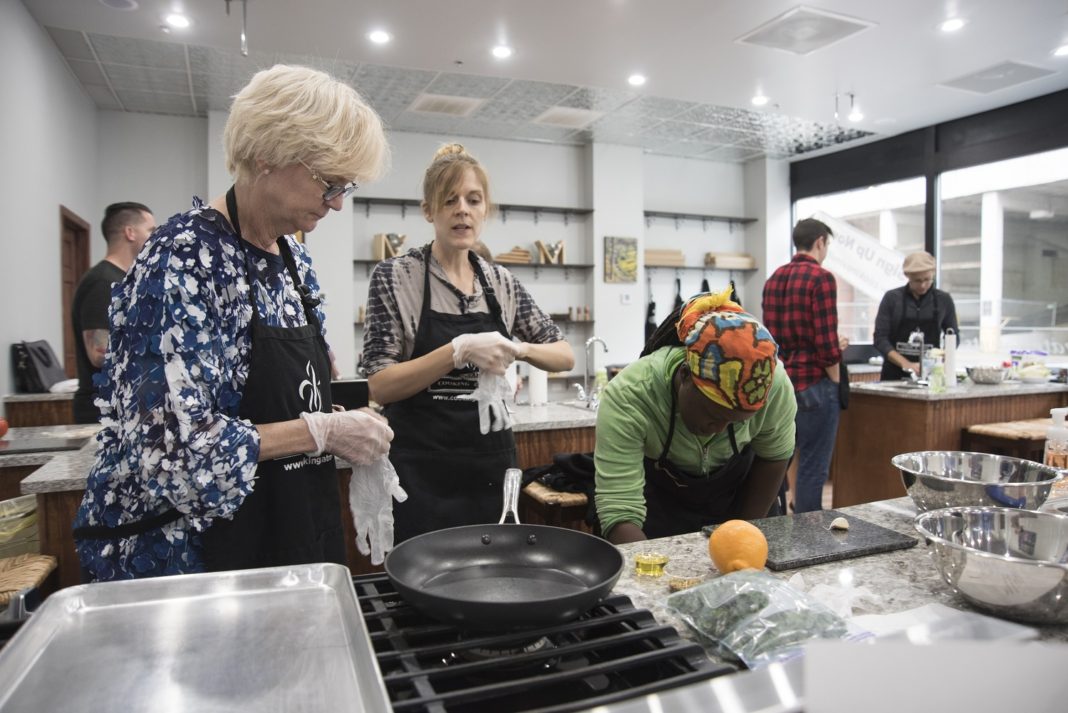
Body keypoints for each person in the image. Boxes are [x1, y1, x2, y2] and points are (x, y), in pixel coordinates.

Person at [73, 65, 397, 582]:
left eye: (346, 186)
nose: (337, 203)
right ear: (267, 153)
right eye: (328, 181)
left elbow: (281, 394)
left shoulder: (293, 259)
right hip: (188, 556)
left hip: (287, 526)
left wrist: (334, 417)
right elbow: (172, 453)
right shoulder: (180, 259)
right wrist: (319, 431)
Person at [360, 143, 574, 542]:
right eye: (450, 200)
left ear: (485, 209)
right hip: (420, 472)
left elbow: (564, 355)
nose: (463, 209)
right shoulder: (396, 277)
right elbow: (378, 383)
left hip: (490, 471)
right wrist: (456, 350)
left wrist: (519, 349)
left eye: (474, 200)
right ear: (429, 211)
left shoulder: (500, 282)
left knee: (495, 585)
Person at [594, 288, 797, 544]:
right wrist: (650, 569)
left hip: (740, 502)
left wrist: (740, 539)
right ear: (685, 376)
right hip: (658, 515)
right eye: (713, 413)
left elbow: (774, 456)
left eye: (735, 422)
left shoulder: (772, 385)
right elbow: (620, 508)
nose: (718, 429)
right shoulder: (631, 395)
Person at [762, 217, 845, 513]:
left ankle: (775, 528)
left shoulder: (774, 279)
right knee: (812, 467)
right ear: (820, 241)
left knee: (777, 462)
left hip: (781, 384)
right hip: (814, 384)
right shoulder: (821, 278)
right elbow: (826, 343)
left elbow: (769, 338)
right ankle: (809, 542)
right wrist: (835, 381)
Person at [71, 202, 156, 424]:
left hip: (126, 409)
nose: (155, 239)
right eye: (151, 231)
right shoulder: (103, 283)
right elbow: (100, 355)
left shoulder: (126, 281)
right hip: (102, 414)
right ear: (130, 232)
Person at [874, 250, 960, 381]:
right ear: (907, 276)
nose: (923, 285)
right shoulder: (892, 298)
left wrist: (944, 355)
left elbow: (954, 336)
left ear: (933, 274)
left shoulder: (944, 300)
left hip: (931, 375)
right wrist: (905, 364)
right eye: (917, 281)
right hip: (894, 375)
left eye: (927, 279)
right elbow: (880, 339)